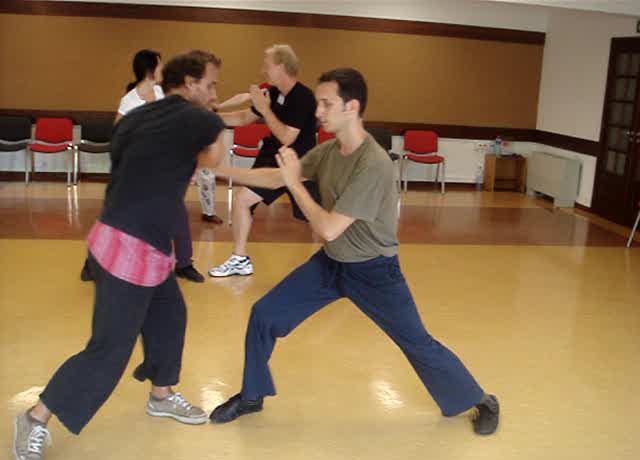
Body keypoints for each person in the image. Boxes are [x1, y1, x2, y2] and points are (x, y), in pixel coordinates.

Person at [208, 68, 500, 436]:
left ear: (352, 107)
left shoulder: (373, 164)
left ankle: (482, 400)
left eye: (327, 104)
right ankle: (252, 396)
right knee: (265, 313)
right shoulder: (330, 151)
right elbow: (279, 176)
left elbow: (327, 226)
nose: (318, 112)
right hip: (331, 264)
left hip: (375, 271)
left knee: (416, 342)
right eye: (318, 103)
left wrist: (295, 184)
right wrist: (222, 169)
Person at [12, 50, 227, 460]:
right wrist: (219, 118)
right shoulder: (196, 119)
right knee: (109, 349)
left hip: (130, 239)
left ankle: (161, 395)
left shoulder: (135, 117)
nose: (215, 93)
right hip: (131, 249)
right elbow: (214, 160)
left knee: (169, 317)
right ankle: (35, 417)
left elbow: (130, 167)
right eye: (212, 85)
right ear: (190, 84)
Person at [79, 49, 214, 283]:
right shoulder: (130, 99)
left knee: (178, 214)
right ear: (151, 69)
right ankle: (93, 263)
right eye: (160, 65)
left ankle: (184, 263)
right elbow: (119, 133)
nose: (164, 70)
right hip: (136, 171)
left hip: (164, 169)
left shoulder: (164, 93)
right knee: (112, 216)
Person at [208, 44, 318, 278]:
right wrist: (210, 116)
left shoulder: (303, 97)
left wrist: (265, 110)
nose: (262, 70)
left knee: (315, 219)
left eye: (267, 66)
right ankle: (239, 259)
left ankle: (339, 262)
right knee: (242, 200)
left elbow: (288, 137)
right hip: (273, 158)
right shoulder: (273, 91)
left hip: (298, 163)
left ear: (281, 66)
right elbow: (244, 117)